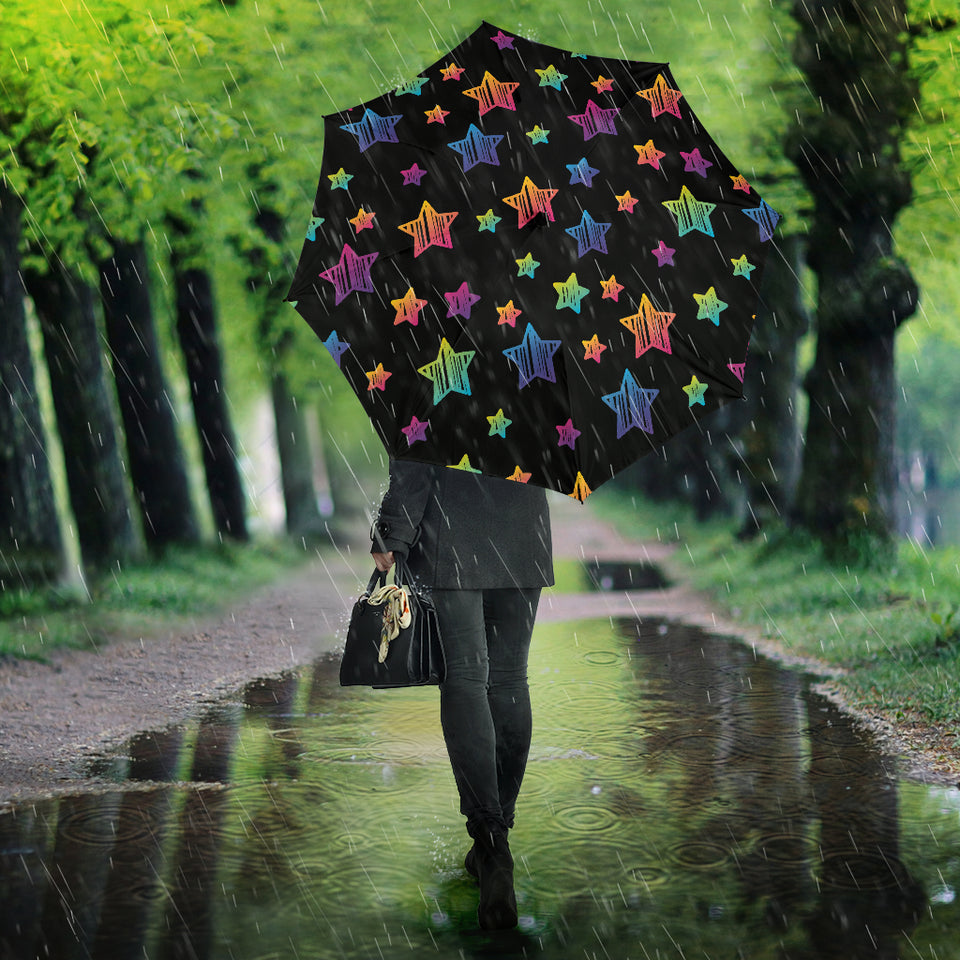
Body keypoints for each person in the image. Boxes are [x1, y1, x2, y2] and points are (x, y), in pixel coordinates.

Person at [371, 457, 553, 930]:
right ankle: (497, 837)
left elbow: (419, 444)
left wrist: (393, 529)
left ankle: (490, 840)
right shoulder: (541, 399)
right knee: (510, 677)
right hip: (523, 525)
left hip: (453, 528)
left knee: (466, 676)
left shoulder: (440, 398)